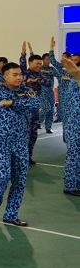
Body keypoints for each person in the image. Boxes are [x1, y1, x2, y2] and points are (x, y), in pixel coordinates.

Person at [0, 54, 40, 226]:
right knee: (3, 175)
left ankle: (11, 215)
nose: (19, 77)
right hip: (1, 141)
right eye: (15, 75)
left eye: (20, 74)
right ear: (5, 76)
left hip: (20, 141)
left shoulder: (27, 91)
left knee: (20, 180)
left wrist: (12, 102)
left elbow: (35, 104)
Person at [59, 57, 80, 196]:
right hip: (76, 124)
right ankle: (71, 185)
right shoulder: (75, 78)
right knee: (74, 155)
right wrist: (78, 76)